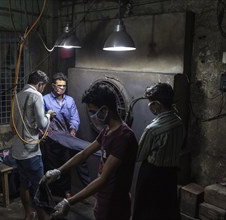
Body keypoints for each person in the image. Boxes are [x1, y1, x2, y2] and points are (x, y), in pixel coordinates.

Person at [41, 82, 138, 220]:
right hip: (103, 199)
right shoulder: (107, 130)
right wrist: (59, 171)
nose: (91, 115)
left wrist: (69, 202)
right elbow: (84, 153)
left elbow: (103, 179)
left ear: (104, 110)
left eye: (93, 111)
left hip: (115, 205)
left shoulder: (124, 137)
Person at [131, 82, 186, 220]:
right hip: (170, 174)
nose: (149, 106)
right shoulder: (179, 122)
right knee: (167, 209)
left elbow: (139, 155)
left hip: (152, 174)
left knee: (146, 210)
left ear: (157, 104)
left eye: (150, 103)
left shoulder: (153, 129)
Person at [11, 70, 54, 220]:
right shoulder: (36, 95)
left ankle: (28, 214)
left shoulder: (17, 96)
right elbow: (42, 124)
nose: (43, 90)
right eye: (43, 87)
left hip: (17, 151)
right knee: (39, 188)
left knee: (24, 184)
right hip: (31, 152)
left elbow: (13, 126)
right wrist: (48, 115)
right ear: (40, 84)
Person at [42, 72, 90, 198]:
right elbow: (40, 119)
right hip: (51, 139)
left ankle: (66, 191)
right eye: (59, 86)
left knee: (66, 165)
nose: (62, 88)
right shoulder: (45, 99)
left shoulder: (69, 101)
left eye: (64, 86)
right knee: (52, 166)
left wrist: (73, 129)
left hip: (66, 138)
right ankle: (52, 192)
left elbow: (75, 117)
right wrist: (47, 117)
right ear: (53, 86)